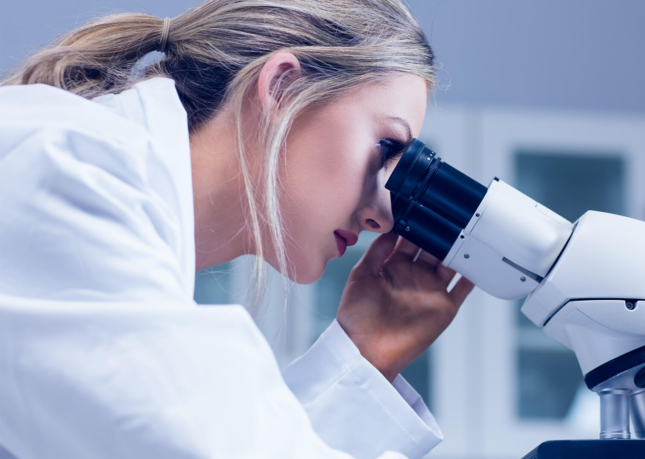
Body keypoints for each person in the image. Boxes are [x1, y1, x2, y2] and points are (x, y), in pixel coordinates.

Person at [0, 0, 474, 457]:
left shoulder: (111, 191)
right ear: (283, 88)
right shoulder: (77, 172)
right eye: (387, 147)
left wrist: (368, 355)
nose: (383, 216)